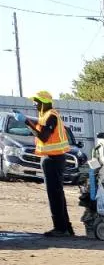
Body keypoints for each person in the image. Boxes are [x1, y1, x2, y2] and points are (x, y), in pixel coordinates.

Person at [20, 91, 74, 237]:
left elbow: (43, 136)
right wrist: (30, 122)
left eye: (36, 102)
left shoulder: (51, 115)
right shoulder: (46, 116)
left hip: (53, 160)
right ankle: (65, 227)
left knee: (54, 194)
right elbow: (42, 130)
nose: (34, 104)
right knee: (57, 193)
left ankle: (60, 228)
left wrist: (27, 123)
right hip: (53, 159)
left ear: (43, 102)